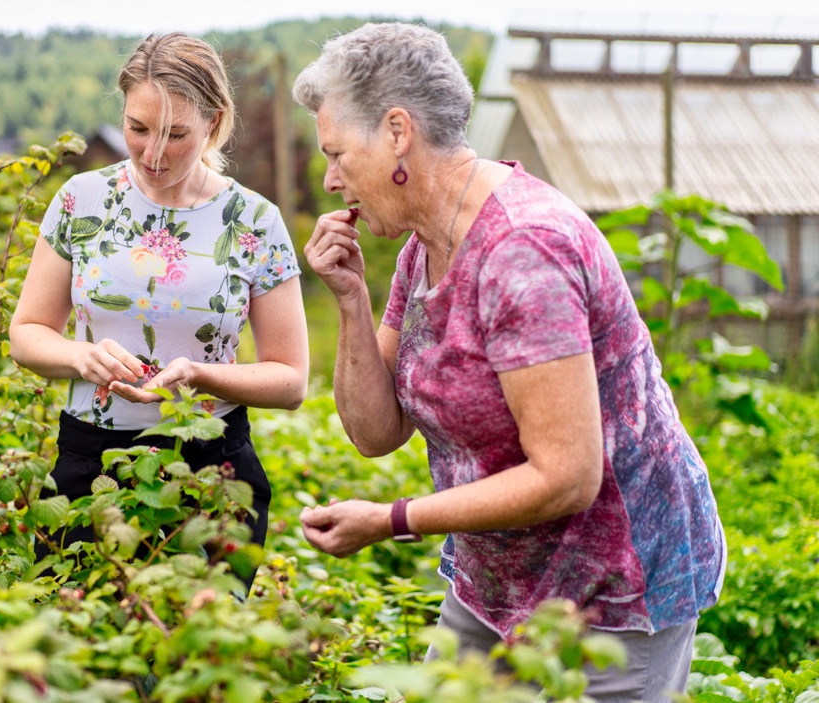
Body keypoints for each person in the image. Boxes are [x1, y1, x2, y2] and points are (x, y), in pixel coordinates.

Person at [294, 22, 725, 703]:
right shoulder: (423, 244)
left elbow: (567, 475)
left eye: (339, 153)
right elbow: (376, 432)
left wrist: (393, 519)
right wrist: (350, 299)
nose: (331, 177)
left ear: (398, 132)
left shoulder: (524, 249)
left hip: (610, 594)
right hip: (497, 576)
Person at [9, 32, 309, 589]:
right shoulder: (81, 200)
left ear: (214, 123)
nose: (151, 154)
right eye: (138, 129)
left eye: (175, 135)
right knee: (86, 660)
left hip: (210, 470)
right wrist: (79, 356)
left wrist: (199, 376)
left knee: (196, 665)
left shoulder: (254, 223)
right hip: (89, 467)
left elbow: (290, 380)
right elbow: (27, 333)